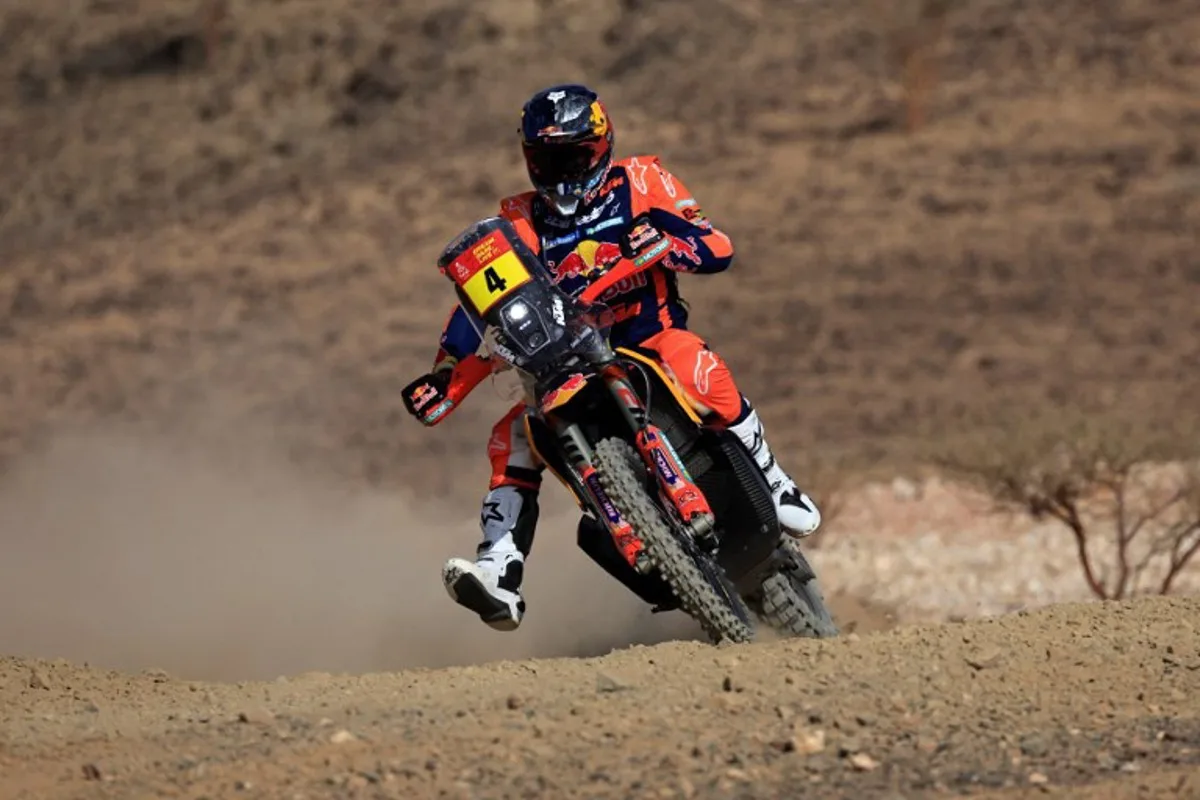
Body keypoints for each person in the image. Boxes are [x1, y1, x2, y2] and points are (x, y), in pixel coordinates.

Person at [402, 84, 820, 631]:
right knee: (512, 440)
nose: (561, 172)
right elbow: (478, 310)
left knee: (695, 364)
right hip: (560, 365)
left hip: (650, 340)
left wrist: (670, 244)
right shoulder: (518, 222)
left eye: (573, 157)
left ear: (600, 148)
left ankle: (773, 477)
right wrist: (442, 374)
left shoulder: (644, 181)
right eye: (547, 160)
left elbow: (717, 245)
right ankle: (498, 571)